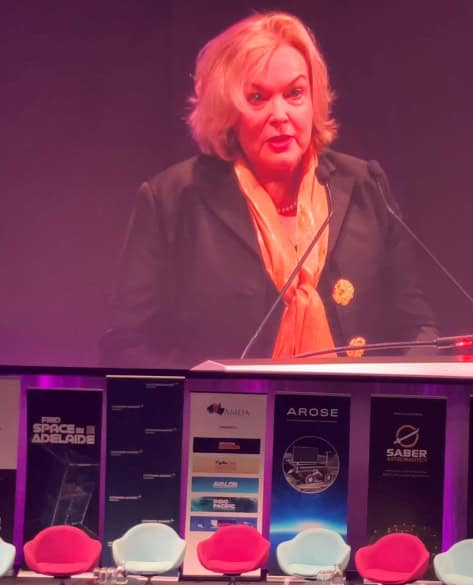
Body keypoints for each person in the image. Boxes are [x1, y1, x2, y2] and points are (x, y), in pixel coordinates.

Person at [99, 12, 437, 369]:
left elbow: (417, 328)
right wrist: (197, 392)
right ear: (227, 109)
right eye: (258, 97)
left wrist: (397, 388)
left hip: (353, 413)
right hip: (224, 417)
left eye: (294, 93)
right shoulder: (174, 198)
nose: (280, 114)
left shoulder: (365, 185)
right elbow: (127, 345)